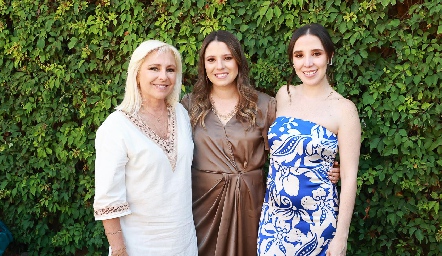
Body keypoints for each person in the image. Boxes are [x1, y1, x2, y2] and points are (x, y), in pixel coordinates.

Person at [181, 30, 341, 256]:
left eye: (227, 58)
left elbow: (295, 145)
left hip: (250, 203)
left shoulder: (264, 106)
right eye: (211, 60)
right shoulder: (188, 107)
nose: (220, 66)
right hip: (202, 205)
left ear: (238, 61)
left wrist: (326, 166)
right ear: (203, 66)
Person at [257, 23, 361, 256]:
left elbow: (349, 176)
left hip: (317, 224)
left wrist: (340, 238)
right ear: (292, 61)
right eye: (299, 55)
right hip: (274, 222)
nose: (308, 63)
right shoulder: (284, 95)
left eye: (316, 54)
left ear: (329, 56)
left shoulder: (344, 110)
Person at [93, 40, 197, 256]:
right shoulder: (116, 127)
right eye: (154, 68)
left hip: (183, 243)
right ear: (137, 73)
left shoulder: (181, 113)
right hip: (139, 246)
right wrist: (120, 250)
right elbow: (107, 199)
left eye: (170, 69)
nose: (163, 76)